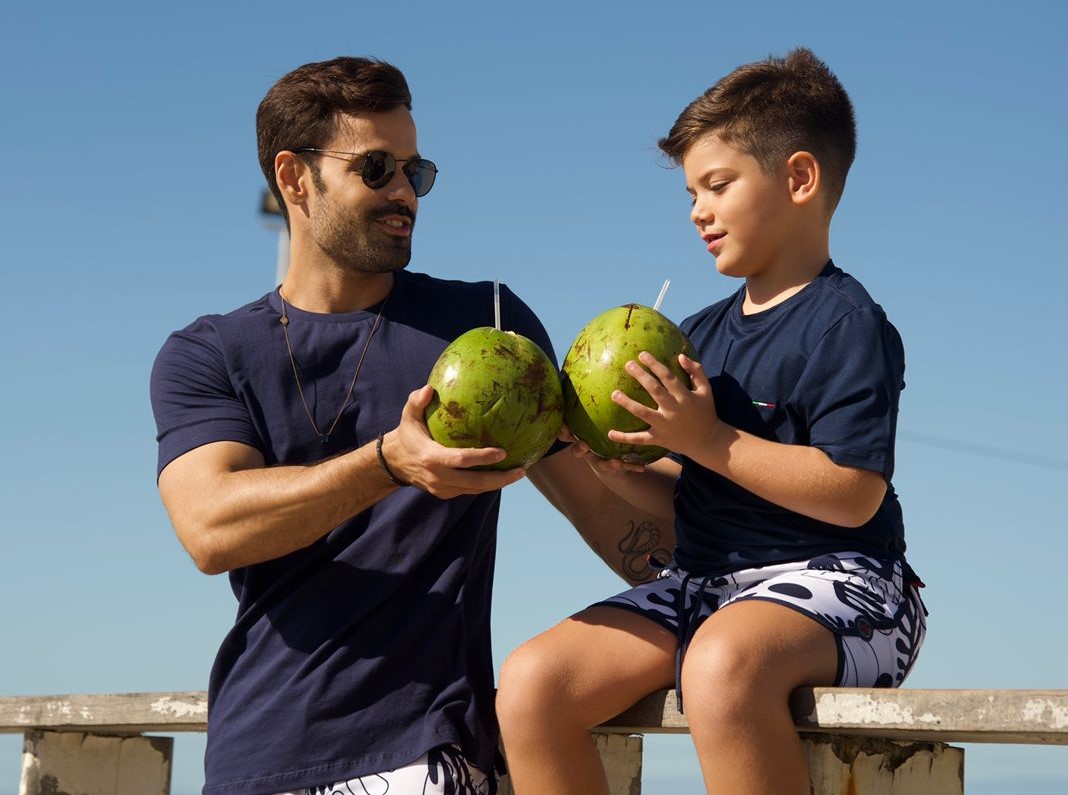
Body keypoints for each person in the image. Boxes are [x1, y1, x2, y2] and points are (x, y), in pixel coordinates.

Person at [150, 57, 666, 795]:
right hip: (254, 760)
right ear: (294, 178)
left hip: (426, 752)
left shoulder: (486, 323)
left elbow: (598, 503)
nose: (403, 193)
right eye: (376, 167)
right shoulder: (208, 354)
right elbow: (209, 526)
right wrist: (390, 463)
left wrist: (741, 590)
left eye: (415, 172)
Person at [496, 47, 928, 795]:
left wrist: (709, 439)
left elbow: (853, 490)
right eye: (692, 191)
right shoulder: (697, 335)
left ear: (799, 178)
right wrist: (618, 465)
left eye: (718, 185)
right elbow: (697, 493)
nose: (698, 209)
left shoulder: (845, 322)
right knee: (534, 681)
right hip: (709, 583)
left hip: (849, 584)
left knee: (721, 665)